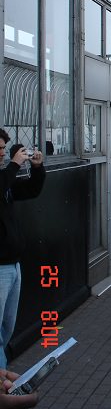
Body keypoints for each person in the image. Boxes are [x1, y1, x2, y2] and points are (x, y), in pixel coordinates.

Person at [0, 131, 46, 369]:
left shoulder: (4, 179)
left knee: (6, 329)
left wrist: (37, 169)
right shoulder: (3, 178)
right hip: (0, 269)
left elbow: (30, 191)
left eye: (3, 149)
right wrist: (14, 166)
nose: (1, 153)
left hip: (13, 265)